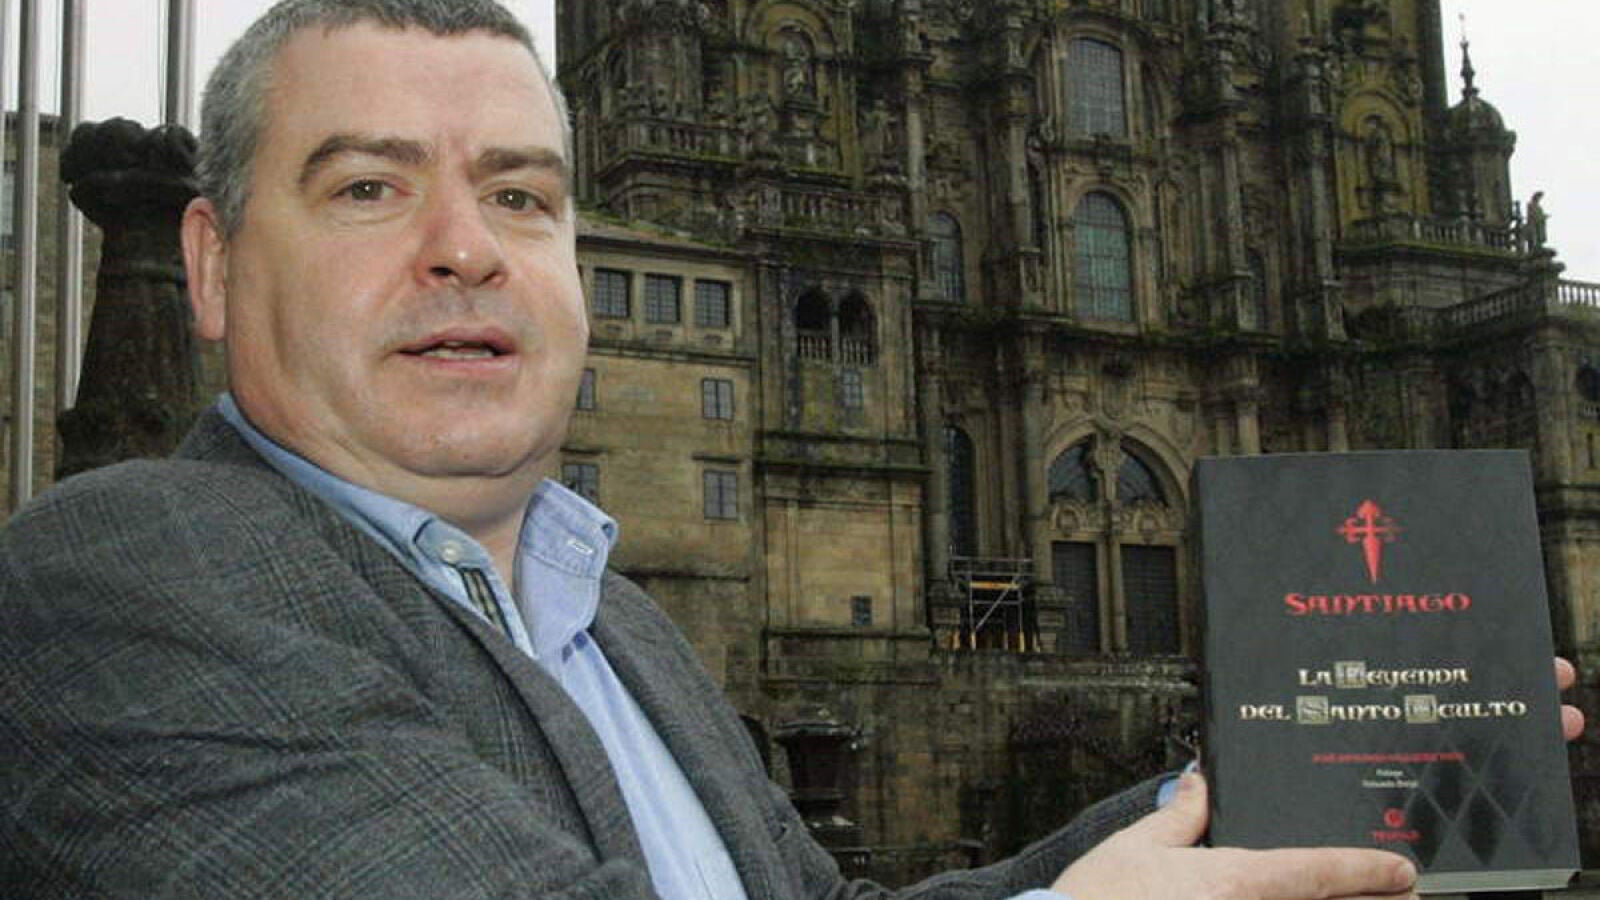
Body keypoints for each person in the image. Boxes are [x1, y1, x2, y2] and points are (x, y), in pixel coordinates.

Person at [0, 2, 1579, 897]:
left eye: (523, 196)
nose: (466, 248)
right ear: (211, 266)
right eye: (369, 189)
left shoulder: (619, 634)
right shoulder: (114, 590)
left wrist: (1282, 764)